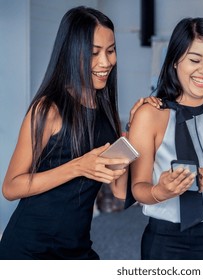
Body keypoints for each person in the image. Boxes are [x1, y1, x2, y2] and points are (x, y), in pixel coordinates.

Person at [0, 6, 130, 260]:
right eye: (94, 53)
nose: (106, 62)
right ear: (73, 53)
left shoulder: (106, 111)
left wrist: (131, 139)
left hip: (75, 247)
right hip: (30, 249)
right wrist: (78, 166)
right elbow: (11, 187)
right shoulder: (47, 109)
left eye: (110, 51)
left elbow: (120, 192)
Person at [127, 17, 203, 260]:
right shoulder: (149, 115)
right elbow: (138, 187)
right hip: (165, 240)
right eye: (195, 60)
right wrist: (160, 191)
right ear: (174, 61)